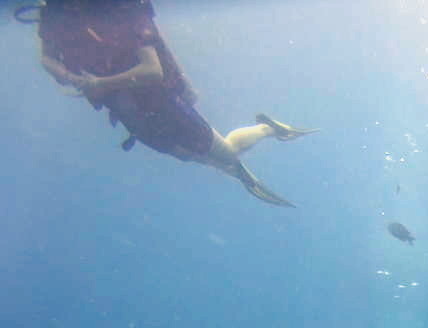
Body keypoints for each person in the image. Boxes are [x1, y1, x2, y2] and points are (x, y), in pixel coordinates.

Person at [31, 0, 315, 206]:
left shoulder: (123, 9)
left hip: (159, 102)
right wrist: (67, 75)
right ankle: (239, 170)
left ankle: (265, 131)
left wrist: (98, 84)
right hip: (128, 112)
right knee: (188, 155)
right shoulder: (55, 11)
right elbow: (47, 56)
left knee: (225, 153)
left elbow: (152, 70)